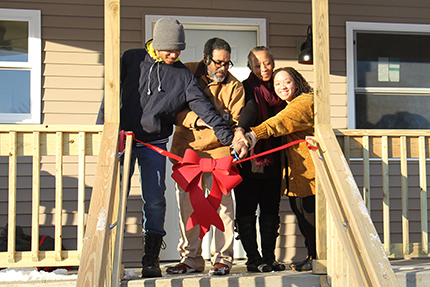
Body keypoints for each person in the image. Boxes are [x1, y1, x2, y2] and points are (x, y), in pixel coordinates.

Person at [96, 18, 246, 278]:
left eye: (178, 50)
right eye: (169, 49)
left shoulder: (182, 74)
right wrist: (104, 130)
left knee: (154, 201)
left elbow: (203, 107)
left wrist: (227, 136)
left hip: (155, 143)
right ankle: (107, 256)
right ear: (157, 43)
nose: (173, 54)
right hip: (125, 140)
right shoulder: (131, 59)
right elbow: (110, 93)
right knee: (114, 199)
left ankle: (151, 258)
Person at [167, 37, 245, 276]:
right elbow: (171, 109)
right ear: (205, 58)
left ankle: (223, 259)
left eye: (227, 64)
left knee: (223, 209)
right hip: (187, 154)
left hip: (220, 156)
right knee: (189, 209)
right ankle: (190, 259)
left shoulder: (235, 87)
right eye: (218, 63)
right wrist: (195, 119)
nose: (222, 68)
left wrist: (237, 138)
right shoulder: (185, 72)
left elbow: (234, 121)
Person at [245, 67, 316, 272]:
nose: (282, 87)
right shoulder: (292, 104)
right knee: (301, 213)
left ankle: (318, 257)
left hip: (311, 174)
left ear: (297, 82)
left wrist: (254, 134)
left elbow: (279, 123)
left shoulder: (303, 102)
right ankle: (313, 256)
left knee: (309, 215)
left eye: (287, 81)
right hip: (298, 175)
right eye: (277, 84)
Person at [232, 46, 286, 272]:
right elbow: (250, 110)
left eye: (267, 63)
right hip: (250, 160)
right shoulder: (246, 88)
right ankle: (253, 259)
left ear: (273, 62)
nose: (263, 68)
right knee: (246, 211)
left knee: (271, 212)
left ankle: (269, 258)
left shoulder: (281, 88)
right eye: (257, 65)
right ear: (250, 68)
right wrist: (240, 131)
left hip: (274, 158)